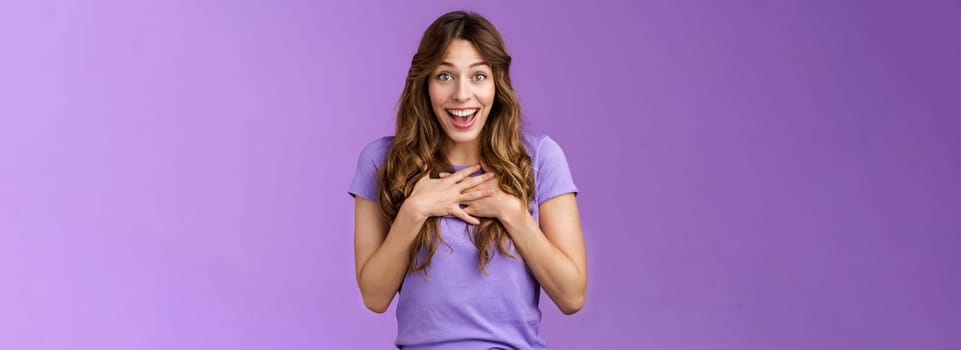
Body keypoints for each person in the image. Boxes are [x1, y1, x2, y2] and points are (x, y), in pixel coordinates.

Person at [348, 10, 586, 349]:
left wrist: (512, 214)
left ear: (497, 84)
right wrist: (414, 211)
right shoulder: (382, 161)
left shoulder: (540, 159)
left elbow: (572, 296)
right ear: (425, 83)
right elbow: (374, 296)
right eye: (445, 76)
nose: (462, 95)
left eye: (478, 76)